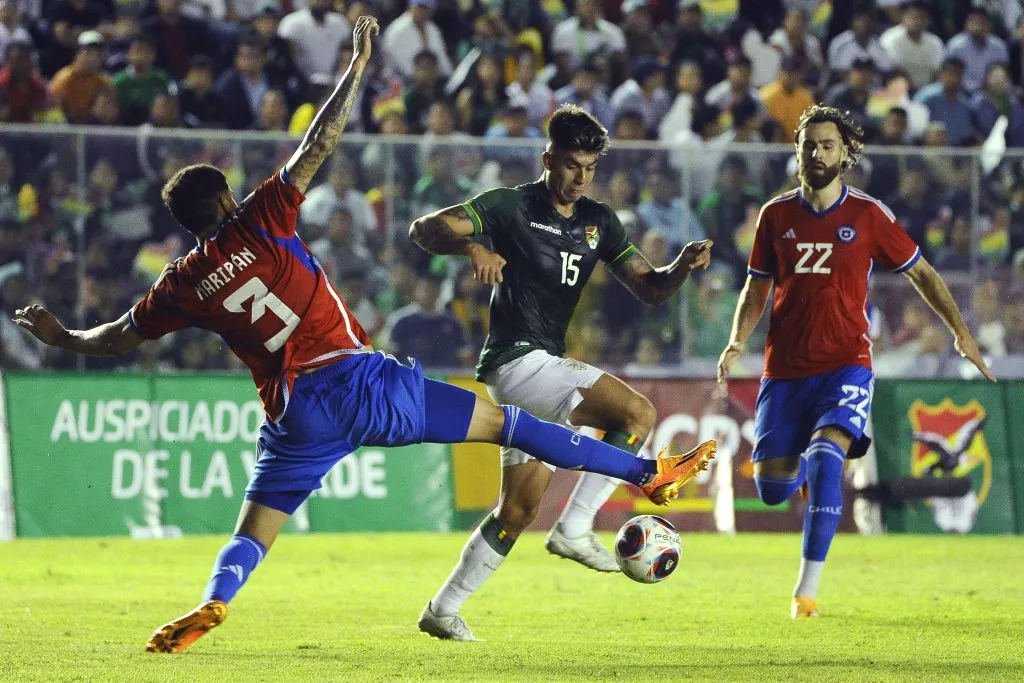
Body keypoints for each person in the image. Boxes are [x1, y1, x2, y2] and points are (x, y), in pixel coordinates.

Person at [13, 17, 712, 654]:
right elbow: (320, 142)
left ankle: (213, 600)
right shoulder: (261, 217)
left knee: (253, 531)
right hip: (364, 382)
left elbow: (116, 338)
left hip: (296, 415)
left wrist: (58, 333)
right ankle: (642, 471)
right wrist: (355, 67)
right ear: (226, 199)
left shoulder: (182, 281)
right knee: (514, 426)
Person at [408, 103, 716, 641]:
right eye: (572, 164)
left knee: (518, 509)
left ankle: (442, 608)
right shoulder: (509, 206)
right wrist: (475, 244)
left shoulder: (600, 221)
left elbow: (647, 287)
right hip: (516, 359)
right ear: (548, 158)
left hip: (540, 366)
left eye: (591, 167)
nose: (581, 177)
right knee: (637, 412)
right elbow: (424, 229)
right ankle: (575, 526)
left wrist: (681, 269)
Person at [716, 104, 994, 620]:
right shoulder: (775, 216)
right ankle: (797, 470)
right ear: (797, 152)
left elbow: (924, 274)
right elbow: (757, 286)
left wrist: (960, 332)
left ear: (845, 154)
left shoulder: (868, 215)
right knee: (773, 489)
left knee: (827, 456)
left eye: (827, 145)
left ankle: (806, 593)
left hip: (847, 364)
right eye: (809, 145)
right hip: (785, 370)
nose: (817, 153)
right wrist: (736, 340)